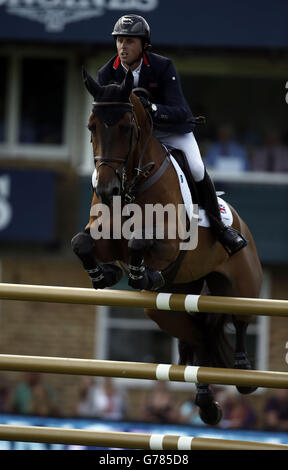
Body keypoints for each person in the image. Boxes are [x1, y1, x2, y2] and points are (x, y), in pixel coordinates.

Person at [95, 14, 248, 256]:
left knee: (197, 167)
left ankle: (219, 228)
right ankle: (108, 227)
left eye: (130, 41)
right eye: (120, 40)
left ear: (144, 45)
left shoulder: (163, 66)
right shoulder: (106, 74)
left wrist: (152, 109)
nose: (123, 46)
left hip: (169, 131)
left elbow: (179, 111)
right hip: (133, 138)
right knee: (104, 171)